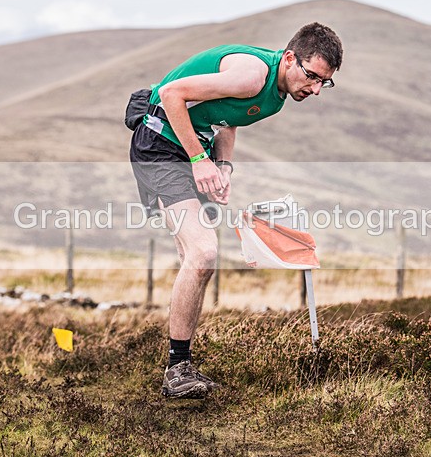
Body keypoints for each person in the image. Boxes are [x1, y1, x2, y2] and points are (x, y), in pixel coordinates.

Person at [129, 22, 343, 399]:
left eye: (323, 82)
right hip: (161, 145)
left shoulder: (278, 90)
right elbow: (171, 93)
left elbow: (226, 118)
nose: (314, 89)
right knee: (202, 252)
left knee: (194, 258)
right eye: (311, 77)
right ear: (290, 58)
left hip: (192, 146)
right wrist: (199, 159)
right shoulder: (252, 75)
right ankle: (177, 369)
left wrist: (223, 166)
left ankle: (180, 365)